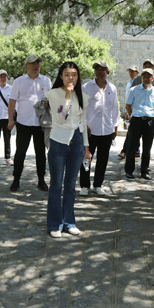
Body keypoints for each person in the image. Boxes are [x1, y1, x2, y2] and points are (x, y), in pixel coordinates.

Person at [44, 61, 92, 238]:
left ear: (78, 77)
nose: (70, 78)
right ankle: (54, 224)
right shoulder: (54, 94)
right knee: (56, 184)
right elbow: (61, 118)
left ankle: (69, 222)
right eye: (66, 75)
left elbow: (83, 122)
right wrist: (67, 96)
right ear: (61, 76)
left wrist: (86, 148)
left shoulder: (83, 97)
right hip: (59, 141)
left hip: (77, 141)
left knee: (71, 185)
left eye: (74, 74)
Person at [8, 55, 53, 192]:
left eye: (37, 63)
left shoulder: (46, 80)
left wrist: (45, 103)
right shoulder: (19, 81)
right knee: (20, 152)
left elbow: (50, 98)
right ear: (26, 66)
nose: (35, 66)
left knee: (41, 153)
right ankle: (16, 180)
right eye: (32, 63)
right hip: (23, 123)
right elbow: (12, 101)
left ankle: (41, 180)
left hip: (40, 123)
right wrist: (10, 120)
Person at [80, 61, 119, 196]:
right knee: (86, 158)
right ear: (94, 72)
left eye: (103, 69)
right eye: (97, 69)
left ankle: (98, 184)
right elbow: (81, 108)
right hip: (90, 130)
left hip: (107, 130)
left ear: (107, 72)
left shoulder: (112, 88)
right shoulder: (86, 87)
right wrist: (84, 125)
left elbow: (115, 109)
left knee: (103, 159)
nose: (100, 72)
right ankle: (84, 185)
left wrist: (115, 126)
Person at [124, 68, 154, 180]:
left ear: (152, 78)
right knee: (132, 146)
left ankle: (144, 170)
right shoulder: (133, 90)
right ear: (141, 78)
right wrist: (132, 116)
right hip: (136, 120)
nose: (146, 78)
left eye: (148, 76)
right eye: (144, 76)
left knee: (147, 147)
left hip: (149, 121)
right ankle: (129, 170)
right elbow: (128, 105)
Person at [119, 65, 140, 160]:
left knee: (132, 131)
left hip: (135, 111)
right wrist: (125, 111)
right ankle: (136, 150)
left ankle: (125, 150)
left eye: (133, 71)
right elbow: (127, 98)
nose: (131, 73)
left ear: (137, 73)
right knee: (133, 130)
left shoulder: (138, 83)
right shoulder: (129, 83)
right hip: (129, 110)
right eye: (129, 71)